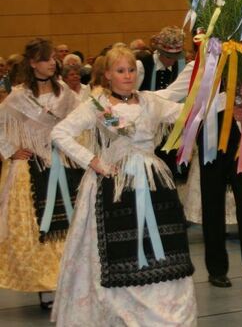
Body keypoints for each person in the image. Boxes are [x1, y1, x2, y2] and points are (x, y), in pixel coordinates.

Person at [50, 46, 198, 325]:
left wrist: (227, 95)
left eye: (131, 70)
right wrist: (93, 161)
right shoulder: (97, 106)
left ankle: (162, 304)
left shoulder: (150, 101)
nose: (128, 76)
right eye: (121, 71)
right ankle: (118, 306)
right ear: (107, 75)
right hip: (113, 184)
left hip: (153, 182)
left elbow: (188, 112)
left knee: (163, 247)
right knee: (119, 250)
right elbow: (60, 133)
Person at [154, 57, 242, 293]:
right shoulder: (198, 67)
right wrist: (142, 102)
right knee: (212, 205)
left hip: (241, 143)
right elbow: (170, 95)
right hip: (210, 142)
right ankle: (217, 269)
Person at [0, 38, 80, 309]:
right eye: (46, 59)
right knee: (40, 228)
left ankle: (66, 283)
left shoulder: (65, 93)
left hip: (63, 164)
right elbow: (1, 124)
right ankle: (47, 289)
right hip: (31, 169)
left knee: (68, 225)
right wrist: (10, 149)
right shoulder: (19, 96)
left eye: (53, 59)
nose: (52, 63)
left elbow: (84, 120)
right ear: (33, 63)